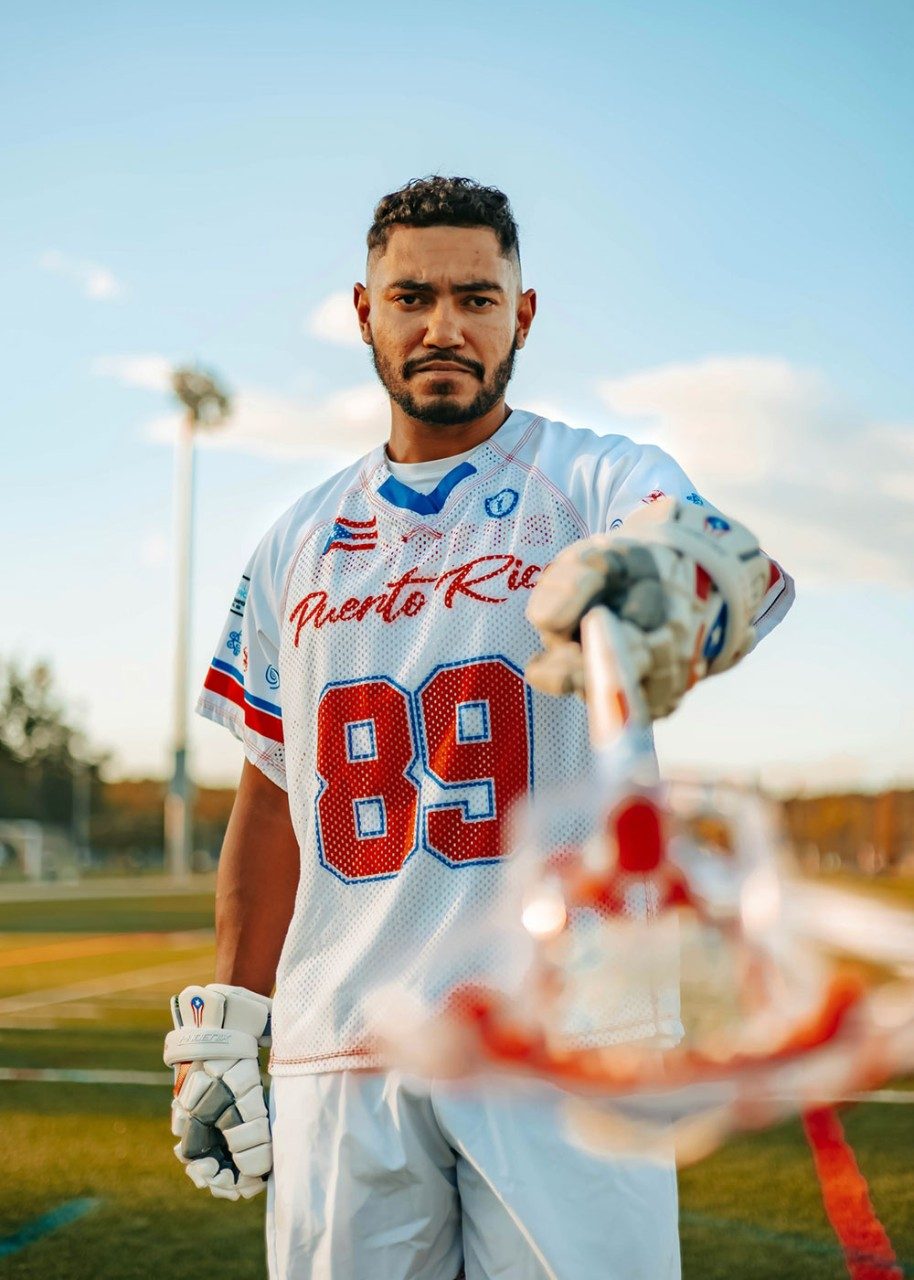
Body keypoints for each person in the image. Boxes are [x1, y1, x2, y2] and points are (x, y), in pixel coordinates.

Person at [163, 176, 793, 1280]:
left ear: (522, 313)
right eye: (410, 296)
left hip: (566, 1030)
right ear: (363, 312)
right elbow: (271, 790)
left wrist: (663, 579)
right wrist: (225, 1019)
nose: (443, 325)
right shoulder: (292, 542)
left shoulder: (596, 478)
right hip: (343, 1041)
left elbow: (705, 551)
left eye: (475, 296)